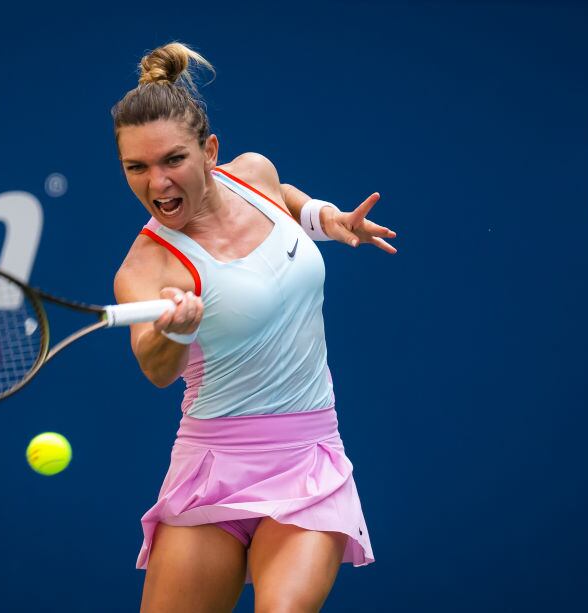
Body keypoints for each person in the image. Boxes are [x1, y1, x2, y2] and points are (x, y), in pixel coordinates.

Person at [112, 42, 396, 613]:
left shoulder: (253, 174)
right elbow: (155, 368)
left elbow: (283, 202)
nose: (157, 182)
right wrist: (176, 331)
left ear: (211, 152)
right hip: (209, 470)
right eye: (136, 168)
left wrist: (325, 218)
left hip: (307, 459)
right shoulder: (146, 267)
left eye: (173, 160)